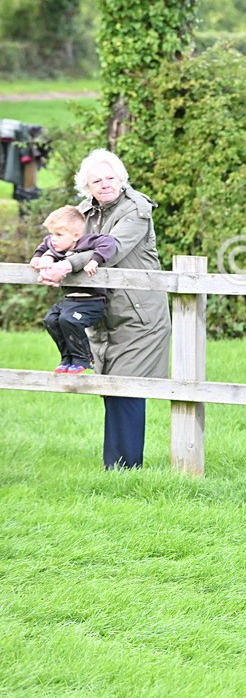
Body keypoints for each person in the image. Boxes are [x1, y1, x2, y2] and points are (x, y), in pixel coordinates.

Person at [37, 149, 171, 470]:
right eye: (97, 180)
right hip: (101, 313)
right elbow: (61, 239)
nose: (105, 184)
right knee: (110, 390)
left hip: (139, 316)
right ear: (86, 185)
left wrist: (65, 267)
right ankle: (115, 469)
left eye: (110, 177)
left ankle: (123, 471)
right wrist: (44, 258)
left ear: (121, 178)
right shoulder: (83, 212)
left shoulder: (136, 209)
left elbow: (111, 247)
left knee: (126, 389)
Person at [30, 205, 117, 373]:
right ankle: (66, 358)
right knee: (51, 320)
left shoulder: (87, 241)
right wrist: (38, 256)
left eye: (58, 234)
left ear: (76, 235)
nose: (52, 239)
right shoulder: (57, 244)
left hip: (91, 301)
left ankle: (83, 358)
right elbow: (45, 244)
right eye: (52, 233)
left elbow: (109, 242)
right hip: (70, 300)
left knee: (69, 320)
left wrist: (95, 260)